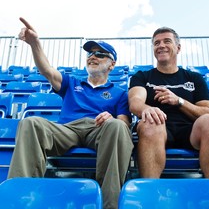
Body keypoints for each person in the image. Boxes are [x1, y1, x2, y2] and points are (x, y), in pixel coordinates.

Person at [8, 17, 134, 209]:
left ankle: (110, 204)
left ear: (112, 64)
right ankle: (20, 199)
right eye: (90, 54)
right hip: (67, 130)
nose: (92, 56)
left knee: (117, 126)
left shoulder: (119, 93)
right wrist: (35, 44)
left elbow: (124, 123)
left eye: (100, 54)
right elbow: (48, 71)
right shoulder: (73, 82)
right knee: (30, 122)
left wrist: (112, 118)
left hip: (99, 129)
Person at [128, 27, 209, 184]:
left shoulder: (194, 78)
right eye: (156, 43)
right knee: (150, 123)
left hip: (189, 131)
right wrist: (149, 109)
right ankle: (149, 192)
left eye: (167, 41)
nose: (161, 45)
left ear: (178, 47)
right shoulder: (142, 76)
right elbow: (135, 103)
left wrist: (179, 101)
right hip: (158, 129)